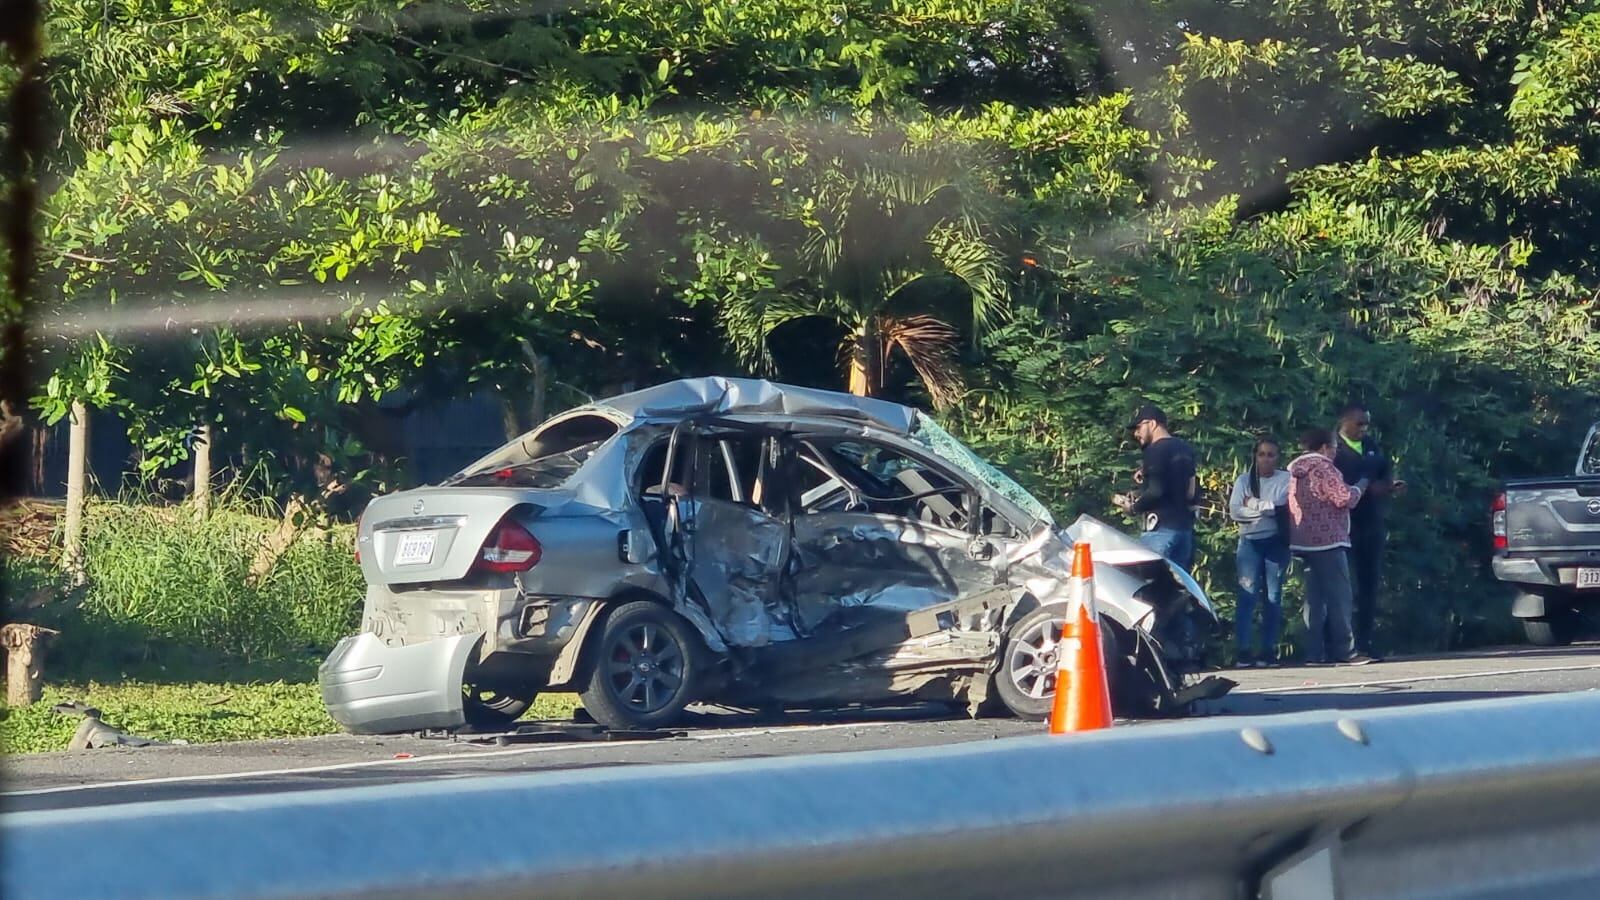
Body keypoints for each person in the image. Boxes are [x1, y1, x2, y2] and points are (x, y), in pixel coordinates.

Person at [1288, 428, 1372, 666]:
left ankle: (1314, 653)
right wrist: (1361, 485)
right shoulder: (1324, 468)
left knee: (1314, 600)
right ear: (1324, 447)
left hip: (1303, 540)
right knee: (1340, 597)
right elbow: (1345, 498)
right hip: (1329, 540)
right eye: (1334, 447)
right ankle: (1346, 651)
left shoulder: (1294, 470)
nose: (1335, 452)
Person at [1332, 403, 1406, 658]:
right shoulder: (1333, 449)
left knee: (1369, 585)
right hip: (1343, 526)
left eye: (1366, 424)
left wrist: (1389, 486)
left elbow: (1384, 474)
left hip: (1371, 524)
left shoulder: (1372, 446)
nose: (1363, 429)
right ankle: (1338, 644)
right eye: (1359, 423)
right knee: (1343, 587)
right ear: (1344, 421)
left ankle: (1365, 641)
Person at [1113, 403, 1198, 571]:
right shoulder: (1186, 449)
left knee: (1148, 581)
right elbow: (1191, 492)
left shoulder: (1154, 450)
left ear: (1152, 424)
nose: (1136, 433)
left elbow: (1156, 492)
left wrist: (1133, 508)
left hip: (1160, 531)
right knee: (1178, 585)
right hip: (1184, 531)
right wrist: (1143, 486)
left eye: (1138, 427)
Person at [1228, 437, 1290, 667]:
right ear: (1255, 456)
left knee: (1273, 596)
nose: (1265, 459)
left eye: (1271, 455)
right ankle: (1243, 650)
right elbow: (1235, 511)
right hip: (1249, 542)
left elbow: (1279, 507)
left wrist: (1252, 503)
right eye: (1261, 454)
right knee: (1247, 594)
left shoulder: (1286, 479)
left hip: (1276, 542)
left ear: (1278, 457)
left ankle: (1268, 649)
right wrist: (1262, 510)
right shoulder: (1244, 480)